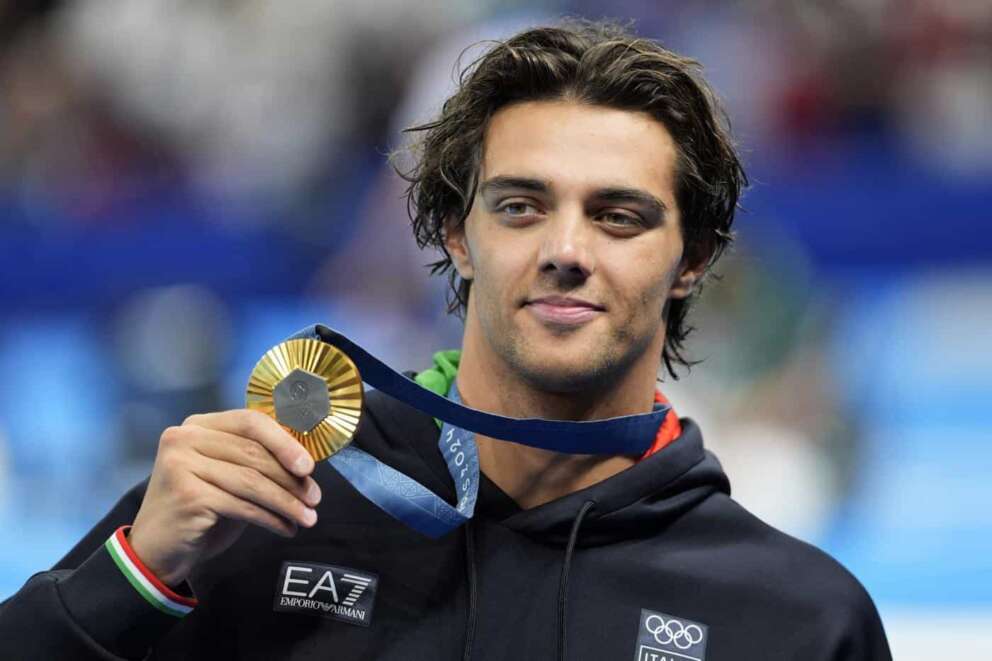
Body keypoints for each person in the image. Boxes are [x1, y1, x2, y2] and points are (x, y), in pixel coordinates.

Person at [0, 20, 891, 660]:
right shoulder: (256, 513)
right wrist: (132, 578)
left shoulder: (795, 620)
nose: (566, 251)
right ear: (457, 236)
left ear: (691, 260)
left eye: (618, 216)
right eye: (519, 206)